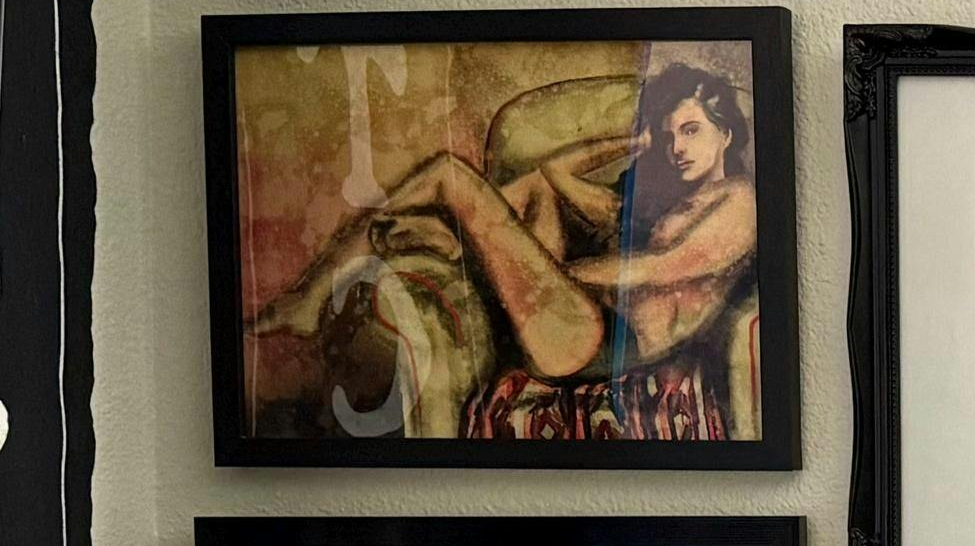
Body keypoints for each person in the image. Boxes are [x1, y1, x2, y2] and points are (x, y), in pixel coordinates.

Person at [250, 63, 759, 440]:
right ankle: (447, 241)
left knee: (450, 174)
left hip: (599, 341)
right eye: (670, 136)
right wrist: (638, 142)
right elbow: (556, 173)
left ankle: (319, 294)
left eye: (690, 131)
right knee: (537, 189)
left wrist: (552, 273)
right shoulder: (665, 201)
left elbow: (660, 267)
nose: (677, 148)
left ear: (726, 134)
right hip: (581, 322)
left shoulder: (740, 201)